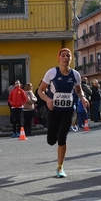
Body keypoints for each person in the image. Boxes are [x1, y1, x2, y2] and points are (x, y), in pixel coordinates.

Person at [38, 48, 88, 178]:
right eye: (63, 56)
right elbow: (40, 90)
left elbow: (78, 90)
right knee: (51, 140)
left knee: (62, 137)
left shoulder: (75, 75)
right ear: (59, 58)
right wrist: (48, 99)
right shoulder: (52, 73)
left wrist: (82, 97)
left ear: (71, 59)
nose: (66, 58)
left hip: (68, 111)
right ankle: (52, 138)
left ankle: (60, 168)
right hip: (54, 111)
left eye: (68, 56)